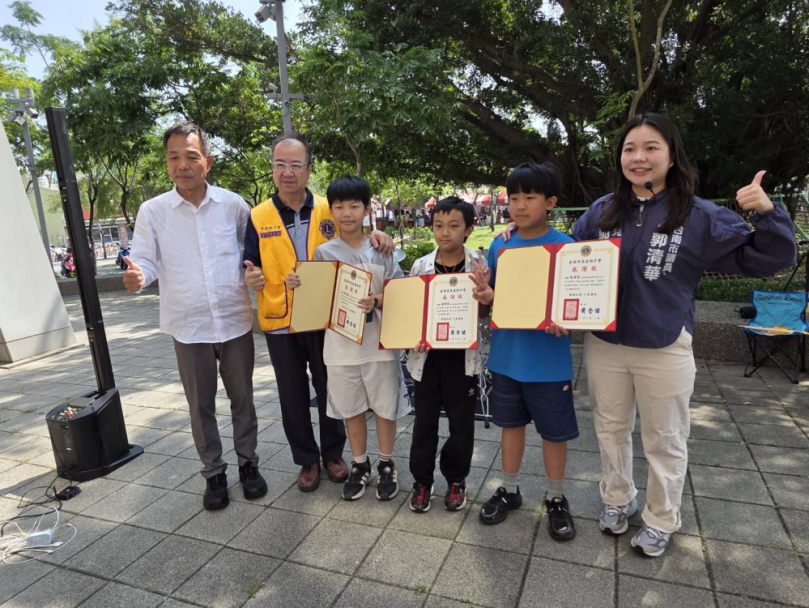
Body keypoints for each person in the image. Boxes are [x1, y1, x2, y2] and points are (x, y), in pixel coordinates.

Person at [567, 112, 797, 556]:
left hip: (664, 343)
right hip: (605, 344)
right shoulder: (601, 212)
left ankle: (661, 518)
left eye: (651, 147)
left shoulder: (698, 215)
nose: (638, 157)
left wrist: (767, 213)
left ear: (672, 157)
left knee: (665, 437)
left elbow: (770, 257)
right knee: (609, 428)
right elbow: (566, 262)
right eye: (630, 148)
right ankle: (617, 498)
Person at [123, 121, 266, 510]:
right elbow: (145, 261)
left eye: (190, 156)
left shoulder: (234, 205)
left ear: (208, 161)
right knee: (200, 406)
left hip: (234, 320)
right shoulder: (153, 211)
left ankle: (249, 465)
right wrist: (138, 277)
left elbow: (251, 254)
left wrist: (254, 274)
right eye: (173, 157)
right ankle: (214, 473)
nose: (181, 165)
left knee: (243, 399)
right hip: (188, 326)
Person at [242, 134, 394, 493]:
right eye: (280, 164)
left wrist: (379, 235)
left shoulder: (329, 207)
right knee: (292, 394)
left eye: (296, 165)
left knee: (332, 388)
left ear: (309, 169)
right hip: (281, 319)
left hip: (326, 317)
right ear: (272, 168)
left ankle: (334, 455)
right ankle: (307, 460)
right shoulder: (258, 215)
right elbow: (249, 262)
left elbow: (355, 233)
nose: (287, 172)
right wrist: (252, 277)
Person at [469, 162, 578, 542]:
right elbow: (491, 298)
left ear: (550, 202)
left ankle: (556, 497)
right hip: (506, 358)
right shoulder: (501, 244)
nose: (519, 205)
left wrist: (568, 319)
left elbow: (577, 303)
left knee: (554, 433)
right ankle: (510, 488)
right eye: (513, 198)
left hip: (549, 361)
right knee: (510, 426)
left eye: (529, 197)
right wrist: (484, 295)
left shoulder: (567, 247)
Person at [312, 175, 410, 501]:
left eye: (354, 206)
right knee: (351, 408)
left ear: (367, 209)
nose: (347, 213)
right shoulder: (324, 253)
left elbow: (400, 292)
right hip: (340, 348)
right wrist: (300, 285)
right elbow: (319, 298)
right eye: (339, 206)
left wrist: (377, 300)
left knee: (385, 407)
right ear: (331, 211)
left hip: (379, 346)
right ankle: (359, 463)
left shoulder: (382, 249)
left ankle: (386, 463)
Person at [407, 197, 484, 514]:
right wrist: (412, 336)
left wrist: (485, 294)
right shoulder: (421, 266)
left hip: (462, 359)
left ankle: (456, 479)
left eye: (453, 226)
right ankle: (422, 482)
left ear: (468, 229)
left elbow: (487, 309)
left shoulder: (478, 264)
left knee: (461, 424)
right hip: (427, 359)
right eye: (438, 225)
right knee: (424, 423)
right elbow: (411, 308)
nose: (445, 232)